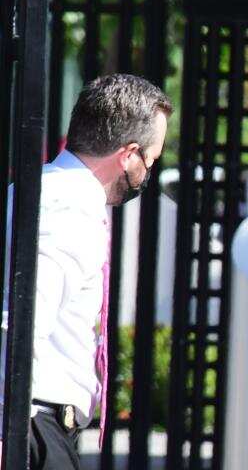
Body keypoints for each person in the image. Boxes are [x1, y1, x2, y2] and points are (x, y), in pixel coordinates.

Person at [3, 74, 172, 469]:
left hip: (31, 423)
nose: (147, 173)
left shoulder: (44, 188)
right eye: (151, 160)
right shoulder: (70, 207)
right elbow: (20, 321)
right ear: (128, 155)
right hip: (31, 426)